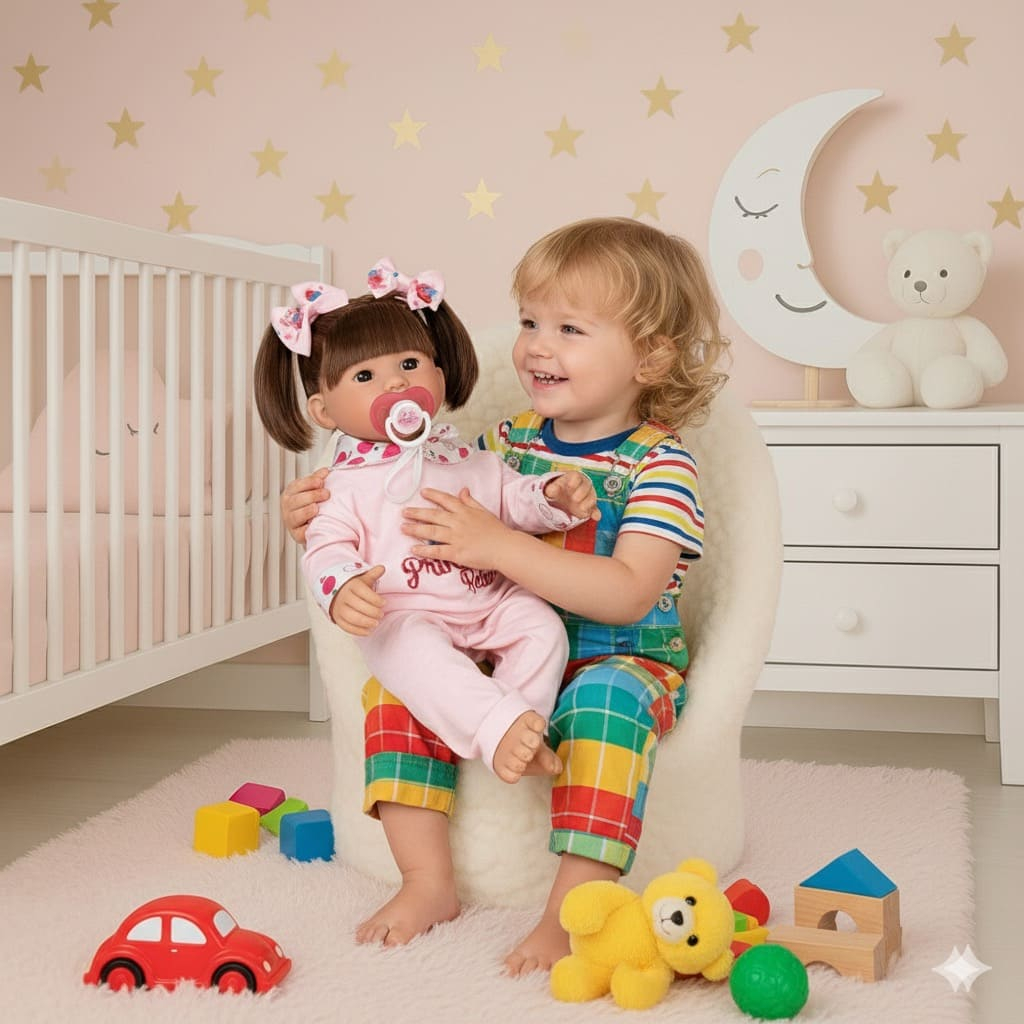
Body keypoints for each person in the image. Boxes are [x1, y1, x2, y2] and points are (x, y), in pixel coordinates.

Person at [281, 218, 728, 972]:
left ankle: (570, 910)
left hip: (616, 658)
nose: (536, 347)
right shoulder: (505, 440)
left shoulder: (659, 465)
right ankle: (427, 882)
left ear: (649, 356)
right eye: (529, 322)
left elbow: (627, 592)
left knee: (605, 706)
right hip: (495, 645)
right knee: (399, 687)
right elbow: (407, 514)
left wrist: (498, 545)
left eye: (569, 329)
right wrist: (319, 522)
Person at [255, 266, 601, 939]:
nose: (395, 384)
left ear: (439, 374)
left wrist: (551, 497)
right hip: (405, 614)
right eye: (366, 376)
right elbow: (325, 549)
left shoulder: (463, 455)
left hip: (485, 598)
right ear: (324, 411)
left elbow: (510, 498)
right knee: (409, 649)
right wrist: (343, 589)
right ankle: (495, 732)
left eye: (409, 364)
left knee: (540, 626)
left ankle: (520, 724)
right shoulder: (339, 486)